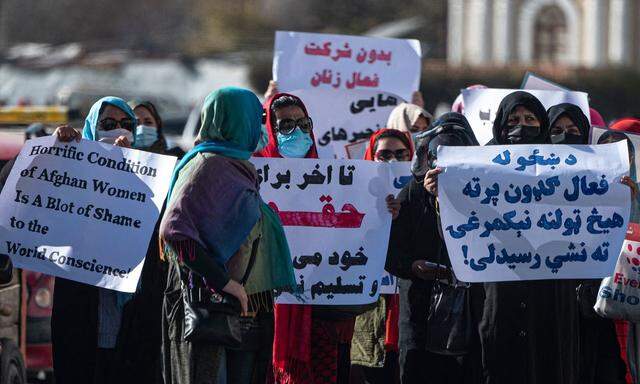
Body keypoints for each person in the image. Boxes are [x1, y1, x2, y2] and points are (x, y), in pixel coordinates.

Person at [160, 87, 296, 384]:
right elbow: (174, 232)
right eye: (256, 117)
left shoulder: (235, 166)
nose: (260, 127)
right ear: (235, 120)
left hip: (248, 312)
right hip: (215, 309)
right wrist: (224, 282)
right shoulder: (207, 166)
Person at [260, 93, 357, 384]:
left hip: (321, 310)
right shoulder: (254, 173)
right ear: (269, 130)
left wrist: (386, 206)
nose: (298, 132)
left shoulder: (333, 177)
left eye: (304, 123)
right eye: (286, 125)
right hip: (266, 311)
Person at [51, 97, 141, 384]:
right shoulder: (69, 167)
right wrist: (56, 151)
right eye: (108, 124)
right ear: (92, 127)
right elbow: (19, 190)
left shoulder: (150, 175)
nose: (119, 130)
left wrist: (127, 173)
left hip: (131, 315)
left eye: (127, 124)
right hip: (81, 306)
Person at [386, 112, 481, 384]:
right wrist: (412, 267)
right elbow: (391, 253)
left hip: (469, 317)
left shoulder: (487, 196)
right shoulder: (412, 194)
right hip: (419, 317)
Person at [547, 103, 628, 384]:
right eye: (556, 130)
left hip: (592, 303)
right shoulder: (531, 181)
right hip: (548, 303)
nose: (564, 136)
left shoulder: (605, 181)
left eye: (572, 130)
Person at [350, 128, 413, 384]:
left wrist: (401, 219)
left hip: (407, 309)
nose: (393, 162)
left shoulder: (419, 195)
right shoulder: (352, 197)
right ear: (370, 157)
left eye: (401, 154)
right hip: (369, 308)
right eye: (384, 155)